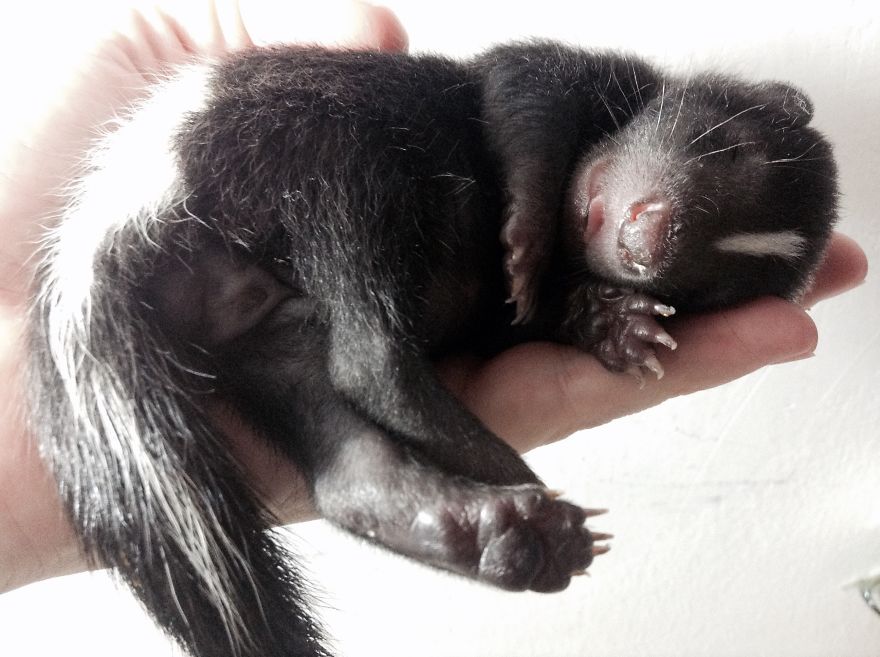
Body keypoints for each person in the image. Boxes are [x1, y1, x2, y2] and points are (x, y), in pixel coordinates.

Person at [0, 0, 867, 594]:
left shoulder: (582, 277)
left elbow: (544, 312)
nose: (652, 236)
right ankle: (429, 418)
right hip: (225, 169)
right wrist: (529, 193)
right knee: (368, 294)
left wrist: (598, 316)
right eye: (726, 163)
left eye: (701, 271)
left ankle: (379, 483)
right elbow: (517, 77)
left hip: (256, 308)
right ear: (755, 105)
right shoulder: (611, 89)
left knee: (325, 415)